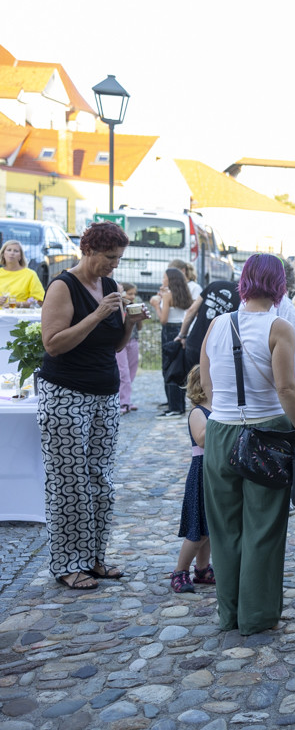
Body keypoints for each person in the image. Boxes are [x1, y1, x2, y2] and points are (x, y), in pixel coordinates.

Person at [200, 253, 295, 634]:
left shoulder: (218, 324)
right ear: (279, 286)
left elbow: (206, 382)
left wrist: (223, 411)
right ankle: (256, 616)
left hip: (220, 432)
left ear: (244, 282)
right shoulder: (279, 327)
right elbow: (287, 388)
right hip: (266, 432)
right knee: (264, 527)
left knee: (224, 529)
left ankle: (229, 613)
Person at [38, 221, 139, 589]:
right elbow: (53, 343)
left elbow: (112, 346)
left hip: (104, 394)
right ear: (89, 251)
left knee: (100, 481)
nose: (114, 265)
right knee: (69, 482)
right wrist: (97, 313)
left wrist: (131, 324)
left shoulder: (109, 286)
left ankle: (94, 558)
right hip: (65, 394)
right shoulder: (63, 286)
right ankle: (67, 564)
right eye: (110, 258)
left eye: (118, 259)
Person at [172, 366, 215, 594]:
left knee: (209, 527)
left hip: (216, 471)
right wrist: (220, 417)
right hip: (202, 472)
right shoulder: (200, 412)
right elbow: (202, 440)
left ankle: (202, 569)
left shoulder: (218, 408)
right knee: (198, 530)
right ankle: (180, 571)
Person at [151, 267, 194, 418]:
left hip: (169, 331)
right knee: (178, 368)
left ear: (170, 279)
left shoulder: (168, 295)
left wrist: (156, 305)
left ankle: (174, 407)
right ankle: (178, 404)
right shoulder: (183, 292)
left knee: (169, 369)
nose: (162, 280)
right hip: (181, 329)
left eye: (164, 277)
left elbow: (163, 319)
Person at [176, 279, 240, 371]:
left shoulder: (215, 284)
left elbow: (191, 311)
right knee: (208, 384)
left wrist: (182, 335)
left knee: (191, 381)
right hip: (215, 351)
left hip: (194, 343)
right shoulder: (242, 298)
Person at [116, 282, 144, 414]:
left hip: (133, 340)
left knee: (132, 370)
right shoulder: (118, 307)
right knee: (123, 372)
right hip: (121, 342)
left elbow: (139, 327)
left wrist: (139, 317)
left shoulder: (134, 306)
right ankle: (123, 402)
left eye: (134, 294)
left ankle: (126, 398)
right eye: (129, 293)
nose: (132, 296)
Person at [0, 239, 45, 306]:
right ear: (3, 254)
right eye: (9, 250)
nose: (12, 253)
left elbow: (39, 301)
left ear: (20, 256)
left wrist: (17, 304)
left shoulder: (30, 274)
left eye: (16, 251)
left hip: (21, 314)